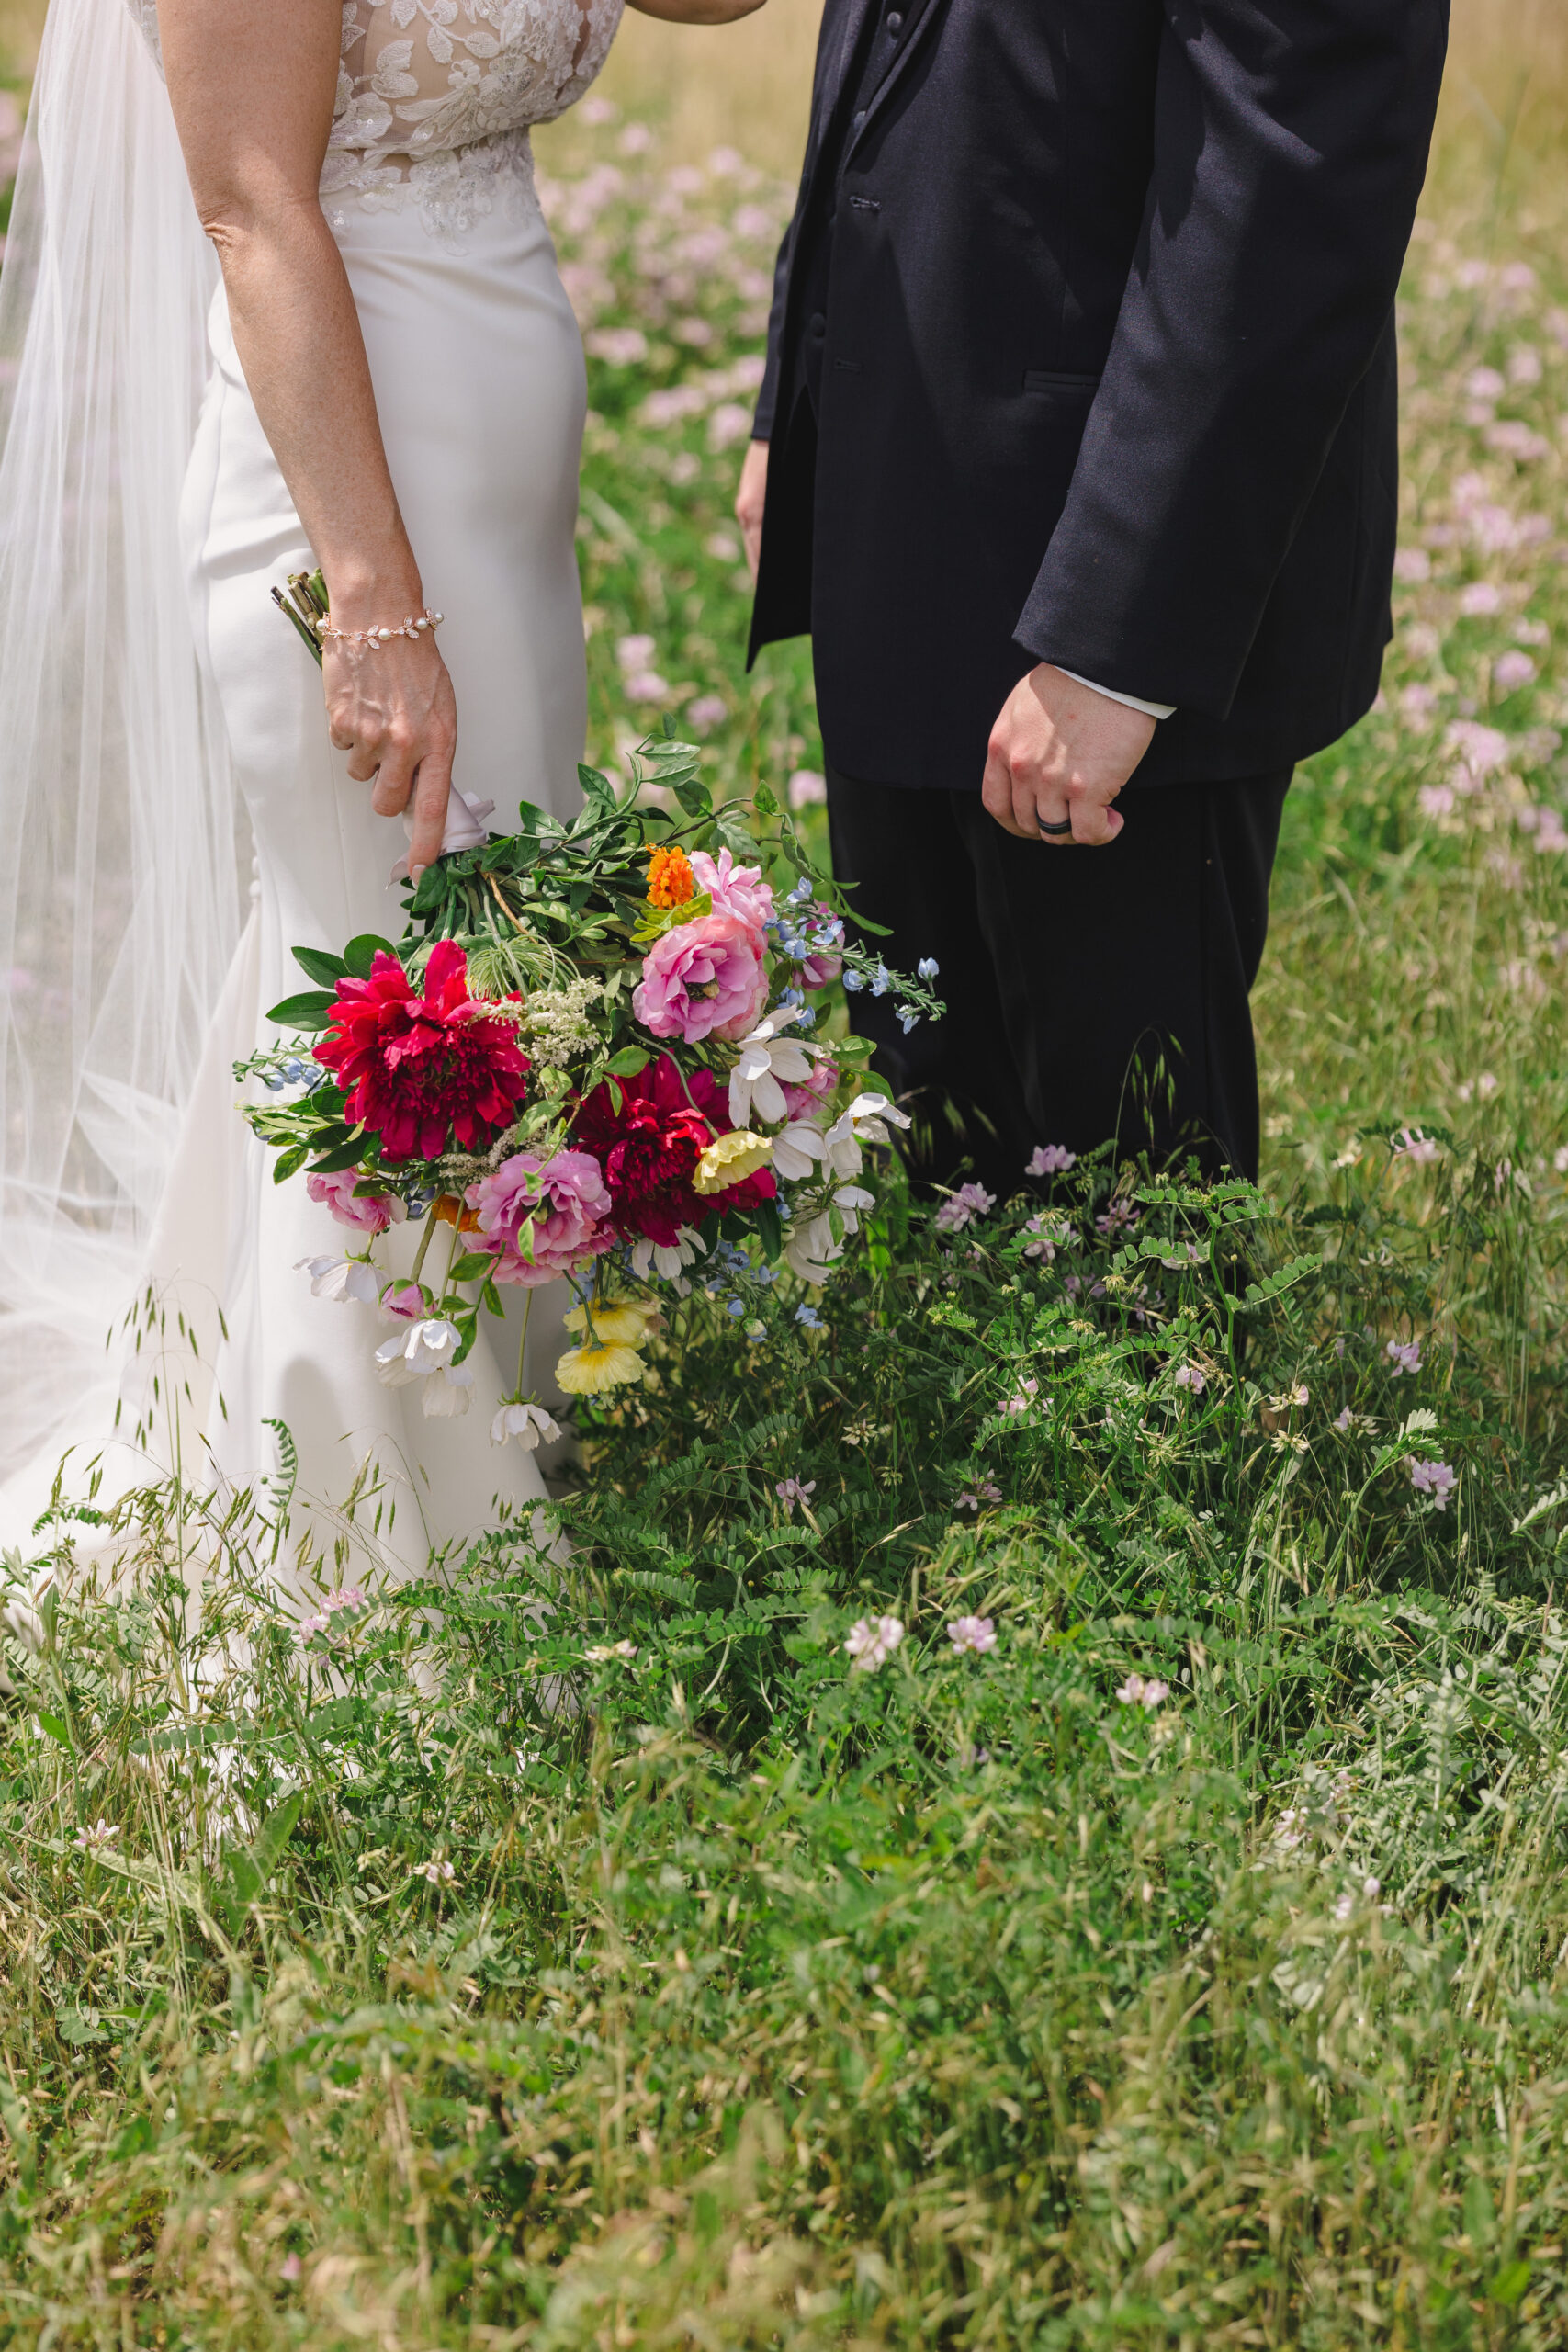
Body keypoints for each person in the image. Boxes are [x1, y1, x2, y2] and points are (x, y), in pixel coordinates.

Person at [0, 0, 763, 1570]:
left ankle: (500, 1428)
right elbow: (250, 203)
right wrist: (376, 601)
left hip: (495, 452)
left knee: (489, 977)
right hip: (347, 493)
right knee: (389, 1001)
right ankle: (358, 1555)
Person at [738, 0, 1450, 1200]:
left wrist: (1117, 648)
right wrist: (792, 395)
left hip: (1113, 566)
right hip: (900, 500)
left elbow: (1287, 174)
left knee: (1133, 1213)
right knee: (936, 1153)